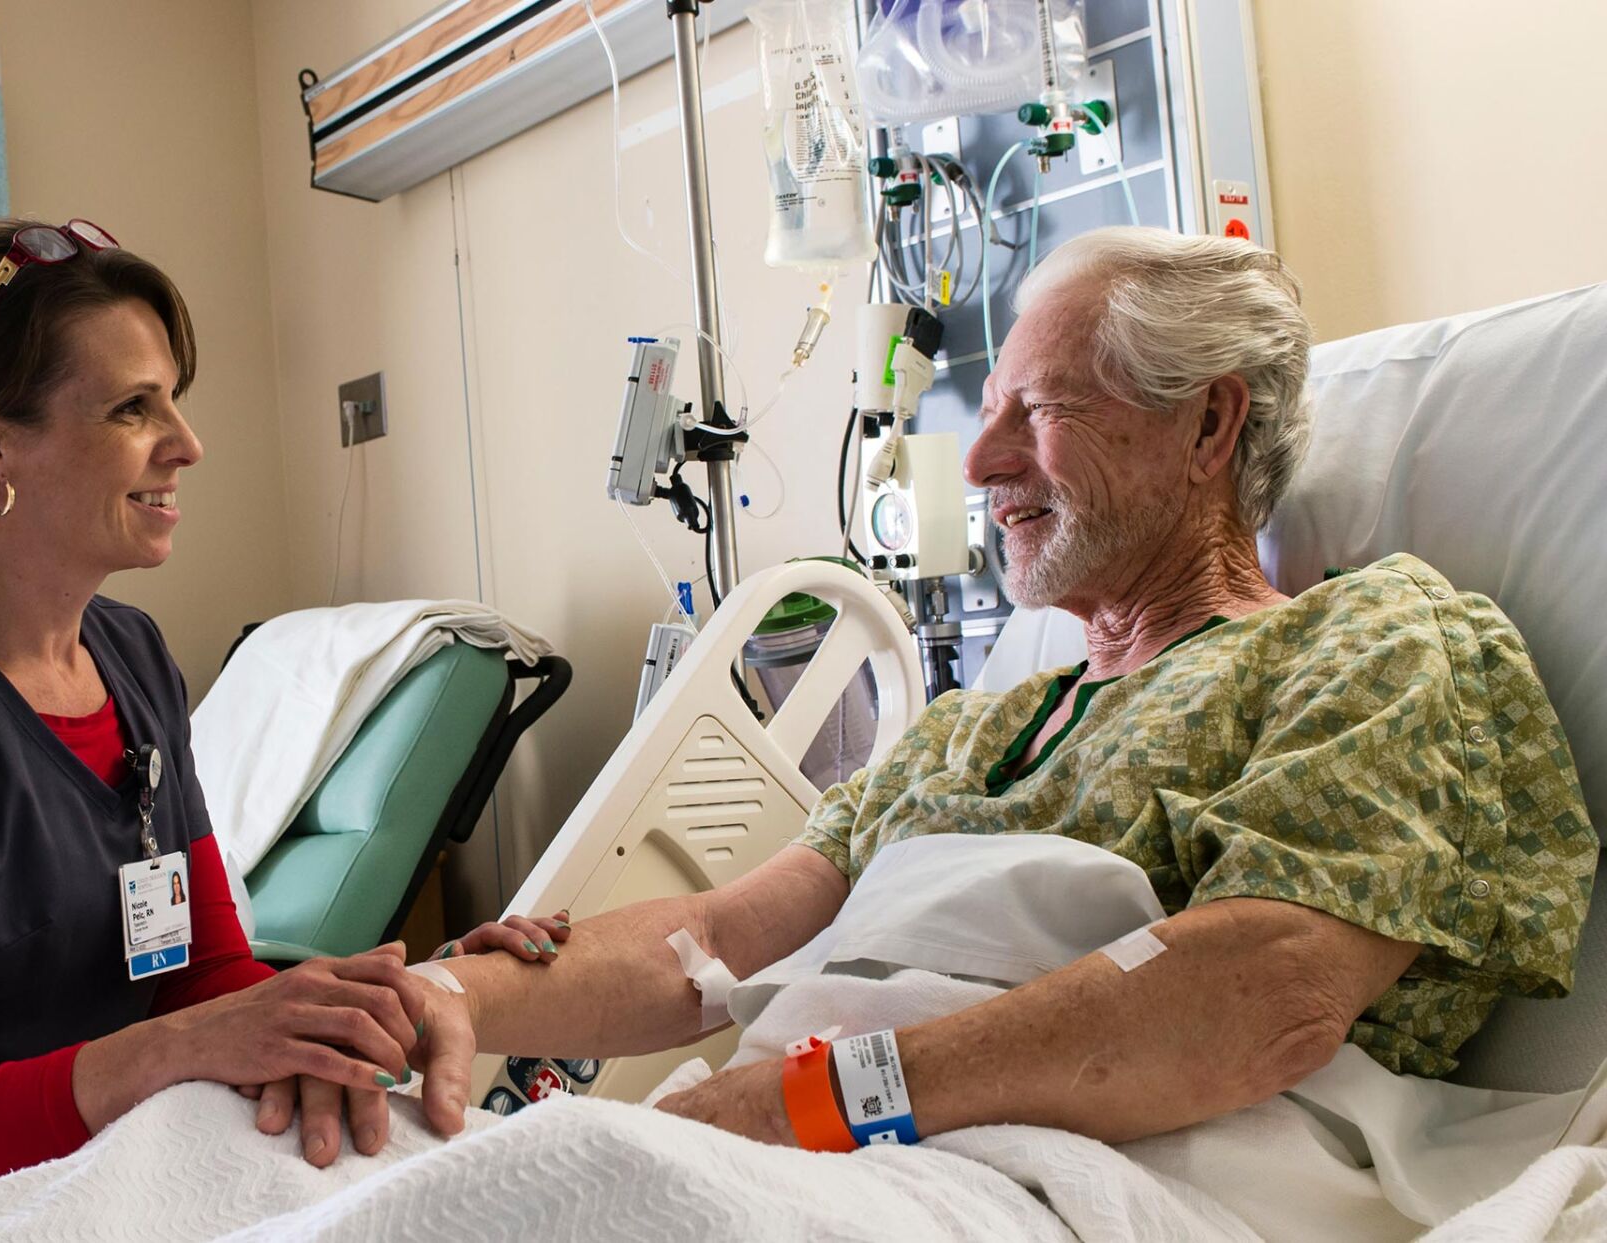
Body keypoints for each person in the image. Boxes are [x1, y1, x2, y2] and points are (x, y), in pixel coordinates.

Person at [405, 226, 1597, 1146]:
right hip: (829, 1140)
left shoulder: (1369, 643)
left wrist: (814, 1102)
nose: (976, 464)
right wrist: (445, 997)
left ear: (1207, 426)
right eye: (985, 417)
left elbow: (1260, 993)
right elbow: (710, 944)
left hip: (1093, 1163)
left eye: (1039, 410)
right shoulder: (965, 735)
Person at [0, 218, 566, 1239]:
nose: (186, 443)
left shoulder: (127, 658)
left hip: (108, 1188)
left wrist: (385, 997)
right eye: (134, 407)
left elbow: (205, 977)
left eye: (173, 397)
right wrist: (174, 1050)